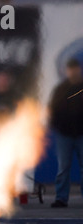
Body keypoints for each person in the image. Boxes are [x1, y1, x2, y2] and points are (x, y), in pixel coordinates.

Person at [48, 58, 83, 208]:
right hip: (64, 135)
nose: (73, 71)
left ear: (79, 69)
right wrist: (57, 126)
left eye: (75, 68)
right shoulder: (61, 89)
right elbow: (52, 110)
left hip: (82, 134)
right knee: (63, 168)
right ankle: (61, 198)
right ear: (66, 71)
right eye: (70, 69)